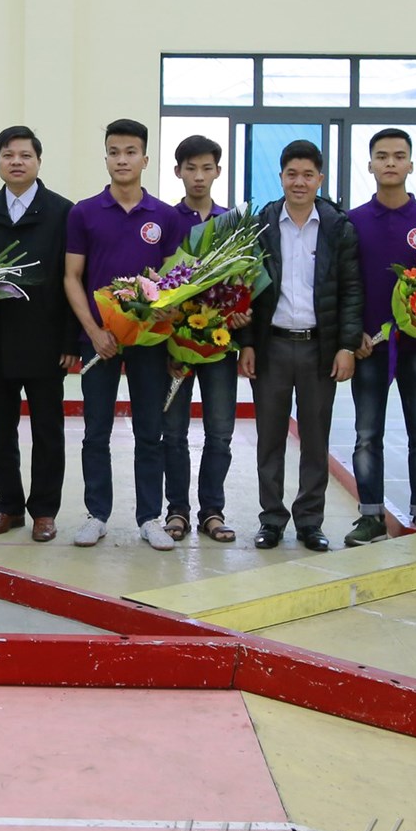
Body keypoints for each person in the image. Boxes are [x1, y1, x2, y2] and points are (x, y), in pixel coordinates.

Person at [65, 119, 180, 548]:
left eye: (130, 152)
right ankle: (96, 514)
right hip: (100, 342)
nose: (122, 160)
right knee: (96, 430)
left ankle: (150, 518)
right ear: (106, 158)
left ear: (145, 159)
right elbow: (72, 277)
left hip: (150, 341)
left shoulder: (165, 216)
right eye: (114, 152)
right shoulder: (84, 213)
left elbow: (175, 283)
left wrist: (160, 320)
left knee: (150, 430)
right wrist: (94, 331)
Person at [243, 140, 362, 552]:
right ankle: (271, 520)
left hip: (319, 349)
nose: (299, 182)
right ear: (281, 177)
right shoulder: (261, 225)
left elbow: (351, 290)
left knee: (315, 439)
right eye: (292, 174)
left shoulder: (337, 227)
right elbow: (245, 289)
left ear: (320, 179)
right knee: (270, 439)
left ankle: (310, 522)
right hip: (271, 346)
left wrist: (346, 346)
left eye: (308, 175)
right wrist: (247, 344)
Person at [0, 126, 76, 542]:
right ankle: (8, 507)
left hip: (47, 342)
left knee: (48, 430)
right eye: (8, 155)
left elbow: (73, 280)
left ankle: (45, 511)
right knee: (0, 428)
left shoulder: (63, 212)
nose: (16, 162)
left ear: (38, 162)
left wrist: (70, 340)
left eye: (25, 155)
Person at [345, 128, 416, 545]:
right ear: (370, 164)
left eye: (399, 156)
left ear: (411, 164)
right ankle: (370, 517)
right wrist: (352, 333)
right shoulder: (352, 222)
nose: (390, 162)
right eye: (382, 156)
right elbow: (346, 283)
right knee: (367, 435)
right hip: (368, 346)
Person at [163, 133, 247, 544]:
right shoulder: (165, 220)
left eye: (206, 168)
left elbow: (245, 279)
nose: (199, 176)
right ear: (177, 172)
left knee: (220, 432)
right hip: (174, 344)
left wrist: (242, 313)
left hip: (219, 343)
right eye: (191, 168)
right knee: (174, 433)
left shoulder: (232, 222)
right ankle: (176, 510)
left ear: (218, 171)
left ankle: (212, 511)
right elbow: (155, 281)